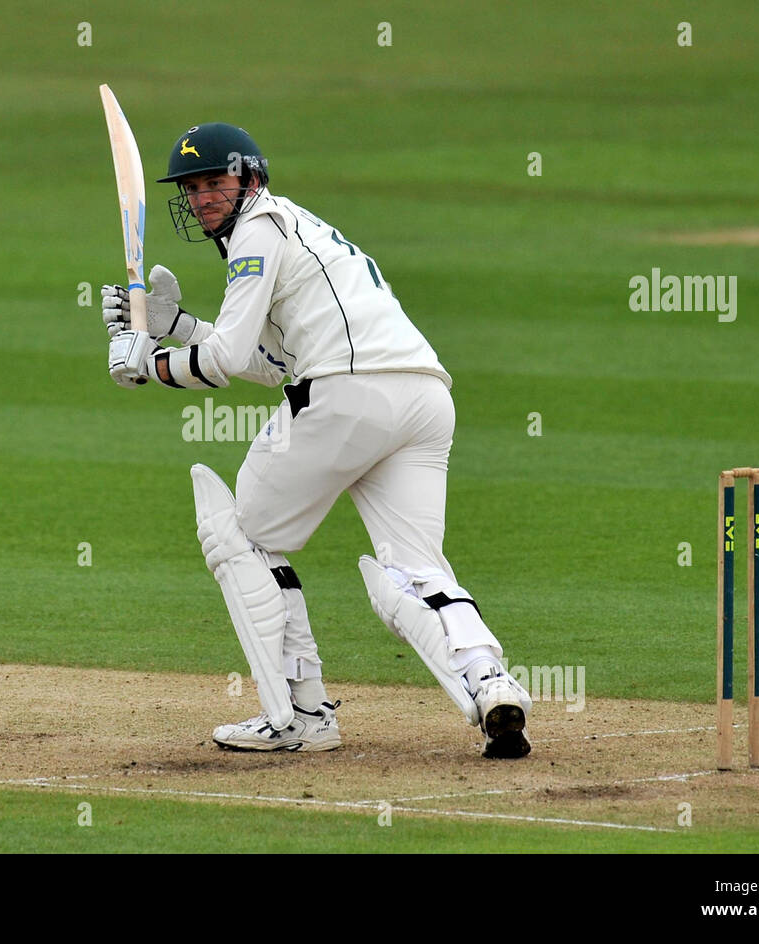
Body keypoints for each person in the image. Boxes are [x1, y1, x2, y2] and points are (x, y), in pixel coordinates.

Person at [103, 123, 532, 758]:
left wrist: (151, 364)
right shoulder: (296, 228)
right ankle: (492, 683)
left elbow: (224, 361)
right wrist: (177, 327)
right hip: (421, 399)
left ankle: (302, 717)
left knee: (242, 533)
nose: (202, 198)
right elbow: (272, 361)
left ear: (250, 178)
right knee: (414, 566)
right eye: (191, 188)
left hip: (346, 397)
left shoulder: (257, 229)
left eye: (214, 181)